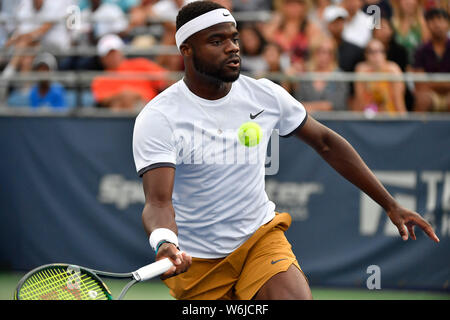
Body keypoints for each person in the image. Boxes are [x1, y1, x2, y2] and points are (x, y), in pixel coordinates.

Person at [132, 0, 439, 300]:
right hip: (197, 261)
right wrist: (165, 242)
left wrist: (390, 204)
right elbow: (158, 202)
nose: (232, 47)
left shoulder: (264, 94)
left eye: (234, 38)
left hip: (259, 241)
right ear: (186, 50)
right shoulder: (160, 117)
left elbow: (326, 142)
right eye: (217, 41)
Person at [91, 34, 168, 111]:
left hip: (148, 106)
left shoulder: (141, 64)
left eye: (114, 53)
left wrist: (134, 95)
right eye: (108, 54)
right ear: (102, 58)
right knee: (117, 105)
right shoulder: (100, 79)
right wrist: (124, 95)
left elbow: (166, 79)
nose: (112, 57)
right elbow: (103, 100)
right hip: (121, 109)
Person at [293, 35, 349, 112]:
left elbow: (337, 104)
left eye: (330, 52)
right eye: (321, 52)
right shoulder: (305, 74)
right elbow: (298, 103)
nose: (326, 56)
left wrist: (310, 107)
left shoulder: (339, 75)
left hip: (334, 122)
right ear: (313, 52)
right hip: (309, 122)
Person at [354, 39, 407, 114]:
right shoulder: (362, 69)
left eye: (380, 51)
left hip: (390, 115)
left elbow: (399, 100)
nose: (376, 55)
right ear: (366, 55)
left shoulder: (393, 69)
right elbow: (359, 101)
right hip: (369, 116)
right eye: (371, 51)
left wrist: (403, 122)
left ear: (385, 54)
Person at [413, 8, 450, 112]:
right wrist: (445, 84)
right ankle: (416, 128)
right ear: (427, 24)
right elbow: (420, 82)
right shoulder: (421, 50)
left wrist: (431, 82)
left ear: (448, 24)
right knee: (422, 100)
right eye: (433, 21)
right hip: (429, 94)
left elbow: (425, 82)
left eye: (441, 20)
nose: (437, 24)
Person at [391, 0, 430, 66]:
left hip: (416, 66)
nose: (408, 2)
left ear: (417, 3)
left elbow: (427, 45)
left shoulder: (422, 24)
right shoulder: (392, 23)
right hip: (396, 65)